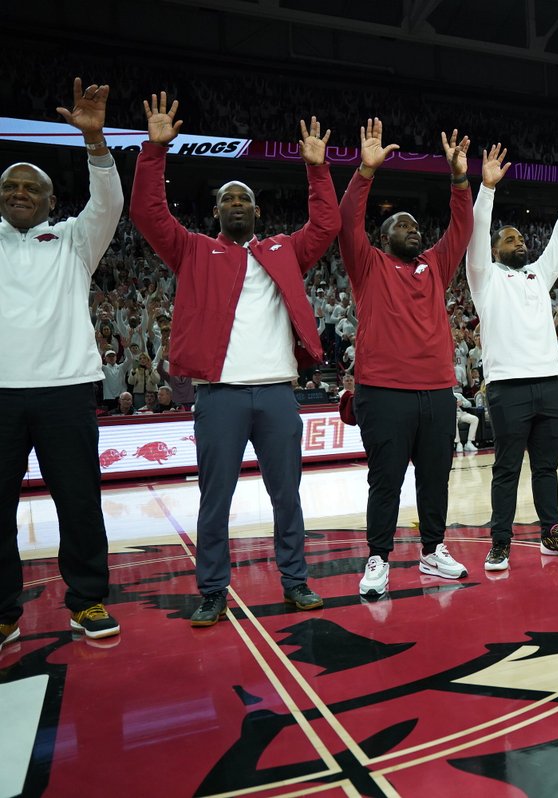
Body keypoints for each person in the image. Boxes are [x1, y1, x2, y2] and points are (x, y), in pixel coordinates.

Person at [131, 93, 336, 625]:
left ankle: (295, 580)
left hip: (275, 392)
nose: (238, 205)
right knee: (214, 500)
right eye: (228, 200)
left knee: (287, 497)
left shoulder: (282, 250)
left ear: (259, 210)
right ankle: (213, 590)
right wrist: (155, 152)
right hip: (218, 396)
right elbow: (148, 214)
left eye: (245, 198)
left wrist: (317, 170)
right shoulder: (195, 249)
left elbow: (326, 226)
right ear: (216, 211)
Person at [0, 77, 123, 644]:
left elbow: (110, 203)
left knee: (78, 503)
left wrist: (95, 143)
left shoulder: (75, 240)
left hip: (66, 390)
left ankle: (88, 602)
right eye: (10, 188)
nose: (20, 194)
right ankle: (4, 611)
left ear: (51, 201)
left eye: (32, 189)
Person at [339, 118, 473, 595]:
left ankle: (433, 550)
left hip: (438, 390)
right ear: (382, 235)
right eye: (402, 224)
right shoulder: (368, 264)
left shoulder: (436, 264)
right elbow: (348, 220)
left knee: (435, 479)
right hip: (383, 392)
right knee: (386, 482)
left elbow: (462, 226)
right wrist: (364, 174)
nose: (413, 230)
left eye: (416, 225)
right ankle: (377, 558)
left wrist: (459, 179)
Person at [465, 144, 558, 571]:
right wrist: (487, 189)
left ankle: (552, 536)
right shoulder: (484, 278)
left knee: (547, 469)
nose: (518, 242)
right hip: (507, 389)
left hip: (549, 385)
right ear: (495, 250)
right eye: (509, 239)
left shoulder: (539, 276)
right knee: (506, 470)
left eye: (520, 238)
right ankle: (500, 542)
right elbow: (477, 235)